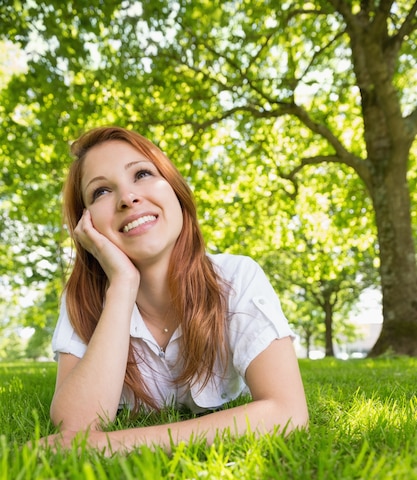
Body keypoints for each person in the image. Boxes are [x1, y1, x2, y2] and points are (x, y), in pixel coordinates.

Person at [45, 125, 308, 455]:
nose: (128, 198)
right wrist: (123, 286)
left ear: (176, 191)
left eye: (142, 173)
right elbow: (73, 427)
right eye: (101, 192)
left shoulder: (237, 277)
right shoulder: (82, 299)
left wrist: (116, 445)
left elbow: (287, 412)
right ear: (87, 226)